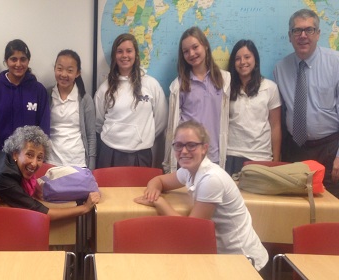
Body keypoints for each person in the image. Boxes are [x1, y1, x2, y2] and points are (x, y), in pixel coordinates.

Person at [135, 120, 268, 271]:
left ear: (204, 148)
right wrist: (153, 190)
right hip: (220, 256)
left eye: (191, 145)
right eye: (178, 145)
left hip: (243, 260)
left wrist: (160, 203)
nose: (184, 151)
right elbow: (158, 180)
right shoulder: (189, 169)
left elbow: (192, 230)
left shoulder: (211, 179)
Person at [274, 9, 339, 198]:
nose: (303, 36)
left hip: (329, 149)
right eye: (297, 31)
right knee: (296, 207)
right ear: (290, 36)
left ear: (318, 34)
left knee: (331, 209)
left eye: (309, 30)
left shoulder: (336, 63)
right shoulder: (280, 68)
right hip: (295, 151)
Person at [163, 26, 231, 173]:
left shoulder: (224, 80)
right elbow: (172, 126)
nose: (191, 54)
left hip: (214, 155)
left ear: (205, 45)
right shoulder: (178, 85)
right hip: (188, 155)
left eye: (195, 47)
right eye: (186, 51)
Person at [95, 33, 167, 168]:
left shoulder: (151, 85)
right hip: (109, 151)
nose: (124, 55)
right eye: (120, 51)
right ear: (114, 56)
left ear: (136, 54)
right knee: (107, 190)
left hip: (141, 154)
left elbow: (160, 121)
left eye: (129, 51)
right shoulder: (105, 88)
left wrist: (143, 136)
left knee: (140, 190)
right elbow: (98, 122)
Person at [0, 39, 50, 153]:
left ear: (28, 61)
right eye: (13, 59)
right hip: (0, 159)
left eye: (23, 59)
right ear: (6, 61)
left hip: (31, 160)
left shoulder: (39, 91)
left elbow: (44, 131)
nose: (18, 64)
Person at [225, 39, 282, 175]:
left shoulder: (270, 88)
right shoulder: (226, 88)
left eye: (247, 57)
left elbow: (276, 126)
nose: (243, 62)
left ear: (255, 59)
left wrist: (276, 159)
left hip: (260, 157)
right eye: (238, 59)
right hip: (231, 155)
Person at [48, 49, 96, 169]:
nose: (63, 74)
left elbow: (91, 135)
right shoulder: (46, 95)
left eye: (70, 70)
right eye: (59, 69)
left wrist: (92, 165)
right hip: (50, 160)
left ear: (77, 73)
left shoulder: (85, 99)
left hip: (78, 161)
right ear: (54, 69)